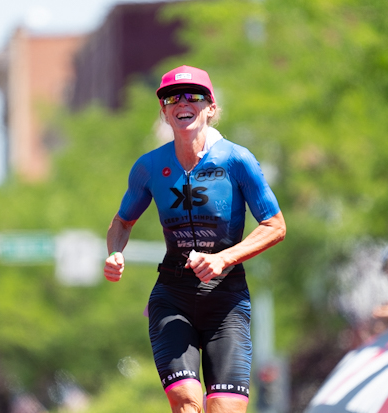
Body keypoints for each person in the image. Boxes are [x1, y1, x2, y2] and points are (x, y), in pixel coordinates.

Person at [103, 65, 286, 413]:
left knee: (223, 407)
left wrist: (223, 258)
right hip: (173, 296)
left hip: (226, 300)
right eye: (172, 98)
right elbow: (122, 222)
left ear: (211, 107)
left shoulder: (237, 160)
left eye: (194, 96)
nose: (183, 103)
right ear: (164, 111)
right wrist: (115, 252)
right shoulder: (149, 166)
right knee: (187, 401)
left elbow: (275, 226)